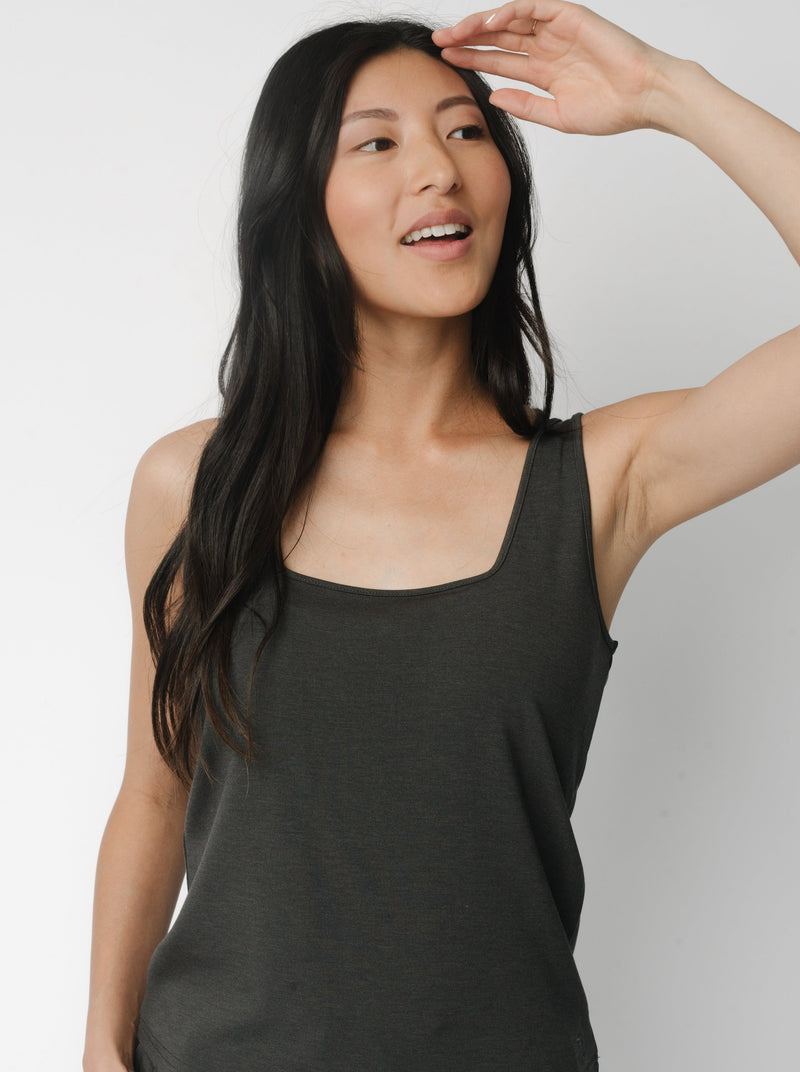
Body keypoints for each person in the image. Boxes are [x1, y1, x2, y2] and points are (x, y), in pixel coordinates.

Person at [82, 2, 800, 1070]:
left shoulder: (597, 484)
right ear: (300, 205)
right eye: (377, 141)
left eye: (465, 129)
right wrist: (100, 1051)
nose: (439, 169)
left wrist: (666, 90)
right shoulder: (192, 485)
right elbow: (153, 788)